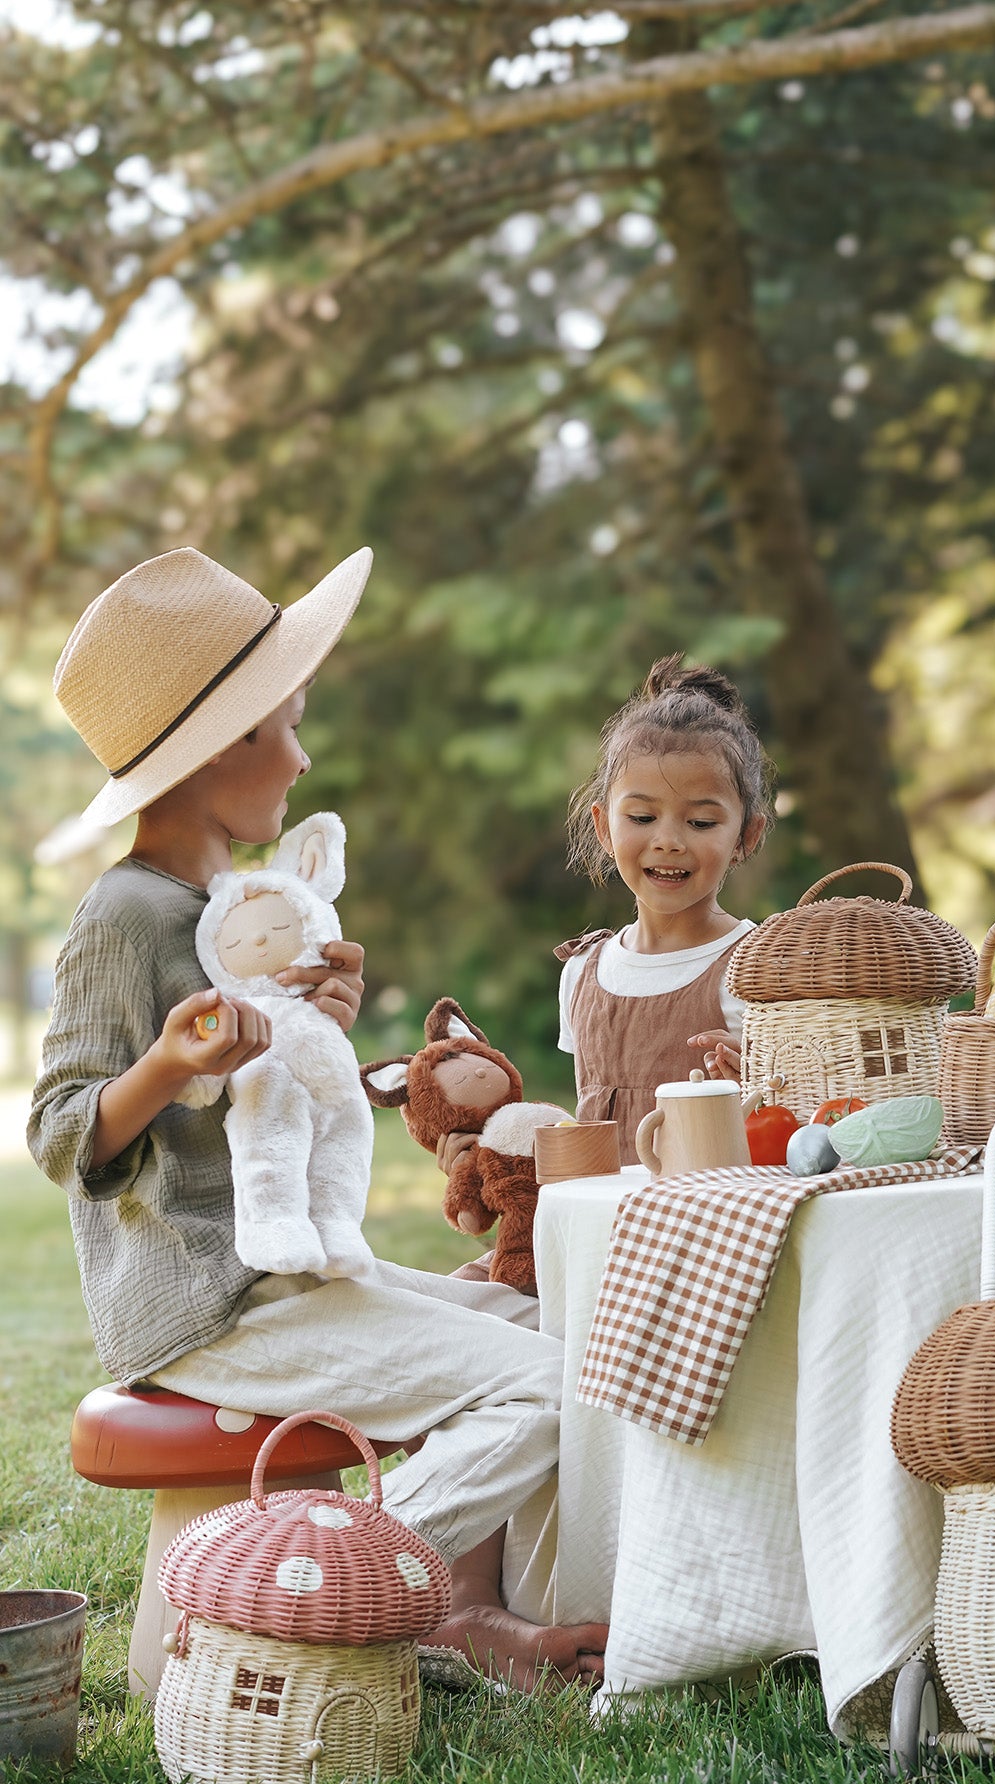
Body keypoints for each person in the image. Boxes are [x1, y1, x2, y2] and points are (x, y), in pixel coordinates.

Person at [28, 545, 606, 1690]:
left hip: (288, 1277)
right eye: (281, 728)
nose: (302, 755)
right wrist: (165, 1061)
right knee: (553, 1383)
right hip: (211, 1302)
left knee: (545, 1322)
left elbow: (272, 1094)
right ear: (212, 752)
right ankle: (322, 1588)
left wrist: (320, 1019)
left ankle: (440, 1601)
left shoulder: (234, 911)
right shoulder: (125, 913)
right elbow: (60, 1131)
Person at [558, 655, 774, 1160]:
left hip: (711, 1219)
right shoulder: (581, 971)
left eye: (700, 823)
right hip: (605, 1225)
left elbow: (798, 1120)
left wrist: (760, 1084)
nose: (668, 842)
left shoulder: (757, 968)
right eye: (641, 816)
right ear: (604, 827)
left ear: (747, 836)